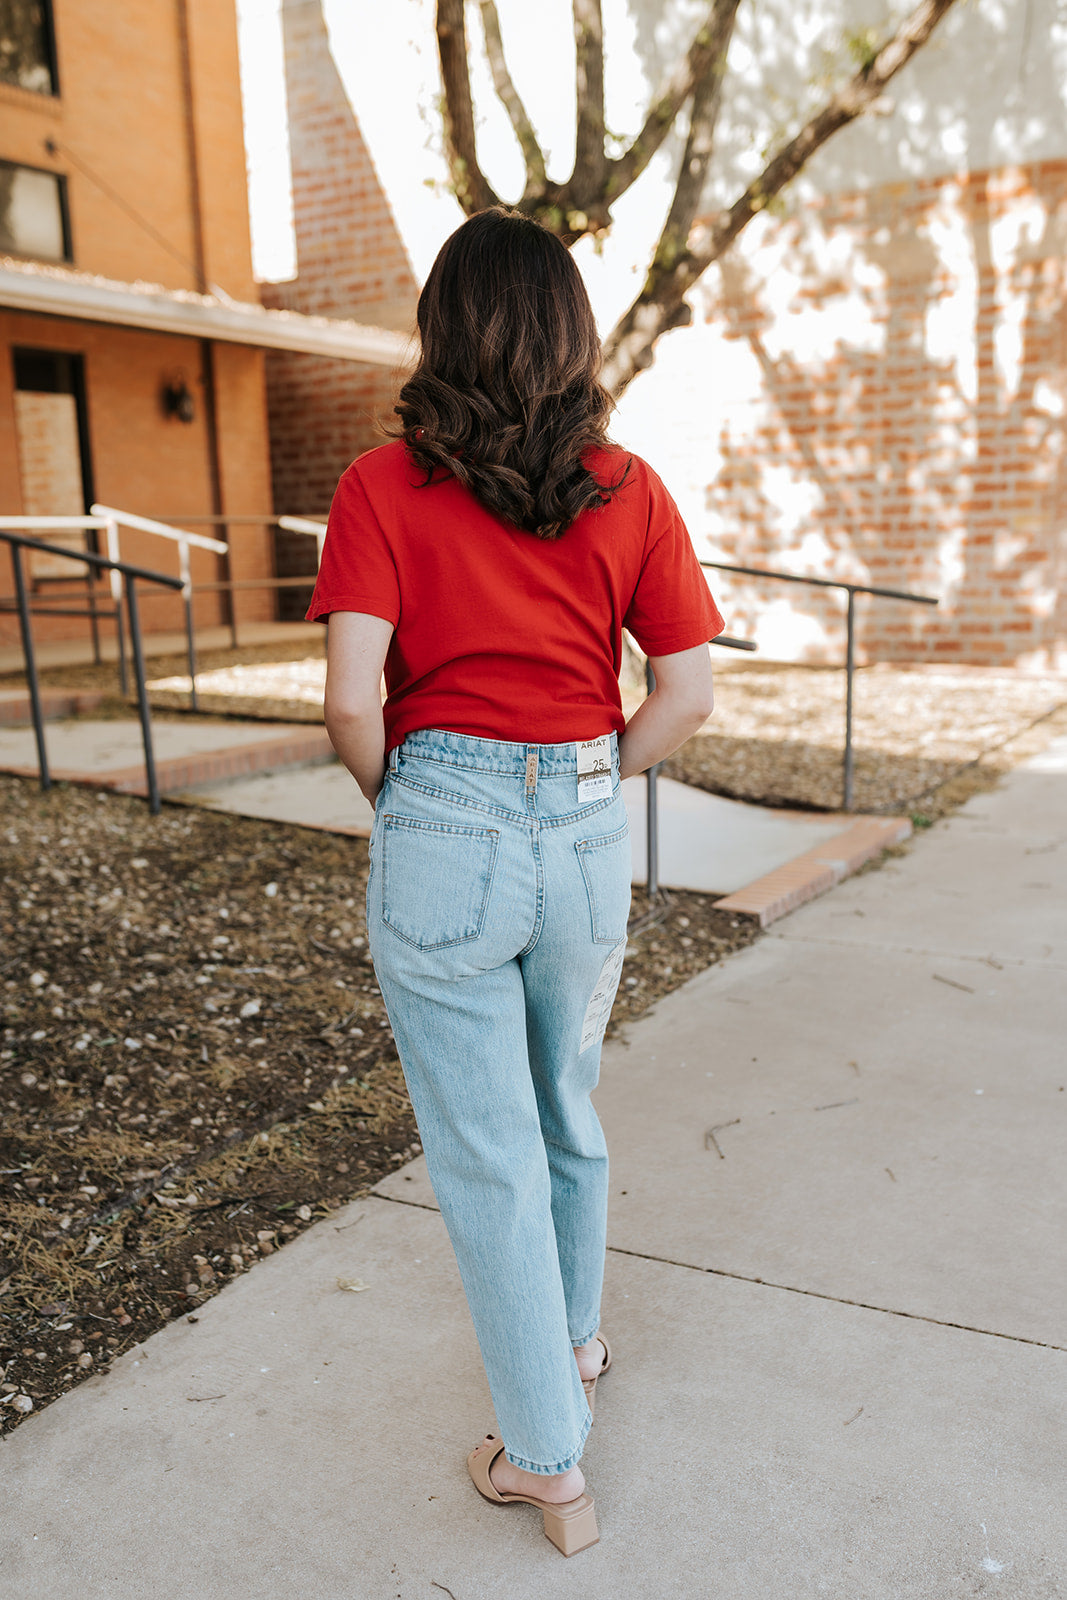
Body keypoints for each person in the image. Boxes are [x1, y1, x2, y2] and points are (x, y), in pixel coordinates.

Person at [308, 207, 724, 1556]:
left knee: (486, 1152)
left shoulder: (380, 487)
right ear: (571, 336)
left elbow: (352, 702)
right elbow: (689, 693)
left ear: (442, 331)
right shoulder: (627, 485)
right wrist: (595, 773)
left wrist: (414, 804)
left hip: (445, 823)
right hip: (589, 832)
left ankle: (545, 1461)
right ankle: (579, 1348)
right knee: (567, 1111)